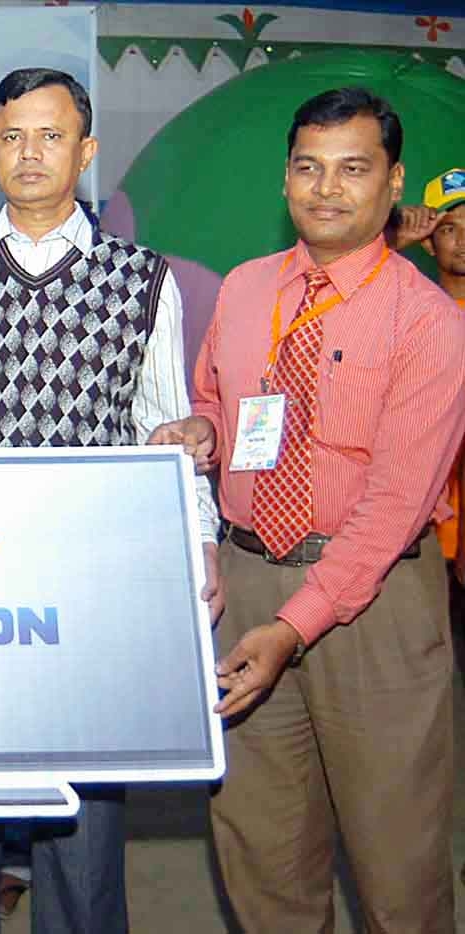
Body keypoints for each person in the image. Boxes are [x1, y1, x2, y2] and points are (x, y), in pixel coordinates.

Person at [0, 68, 220, 934]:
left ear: (86, 151)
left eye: (50, 135)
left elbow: (165, 429)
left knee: (83, 819)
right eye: (12, 136)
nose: (30, 153)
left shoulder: (142, 279)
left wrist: (200, 540)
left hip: (89, 578)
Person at [158, 88, 465, 932]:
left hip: (375, 603)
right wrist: (204, 429)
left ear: (393, 183)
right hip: (247, 582)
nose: (326, 189)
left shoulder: (428, 322)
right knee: (263, 853)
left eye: (352, 169)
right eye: (308, 167)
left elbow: (396, 505)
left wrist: (293, 627)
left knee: (398, 865)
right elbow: (219, 401)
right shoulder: (247, 288)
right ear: (286, 177)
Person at [397, 168, 465, 676]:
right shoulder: (413, 312)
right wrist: (392, 240)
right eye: (449, 228)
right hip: (424, 534)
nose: (462, 241)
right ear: (428, 241)